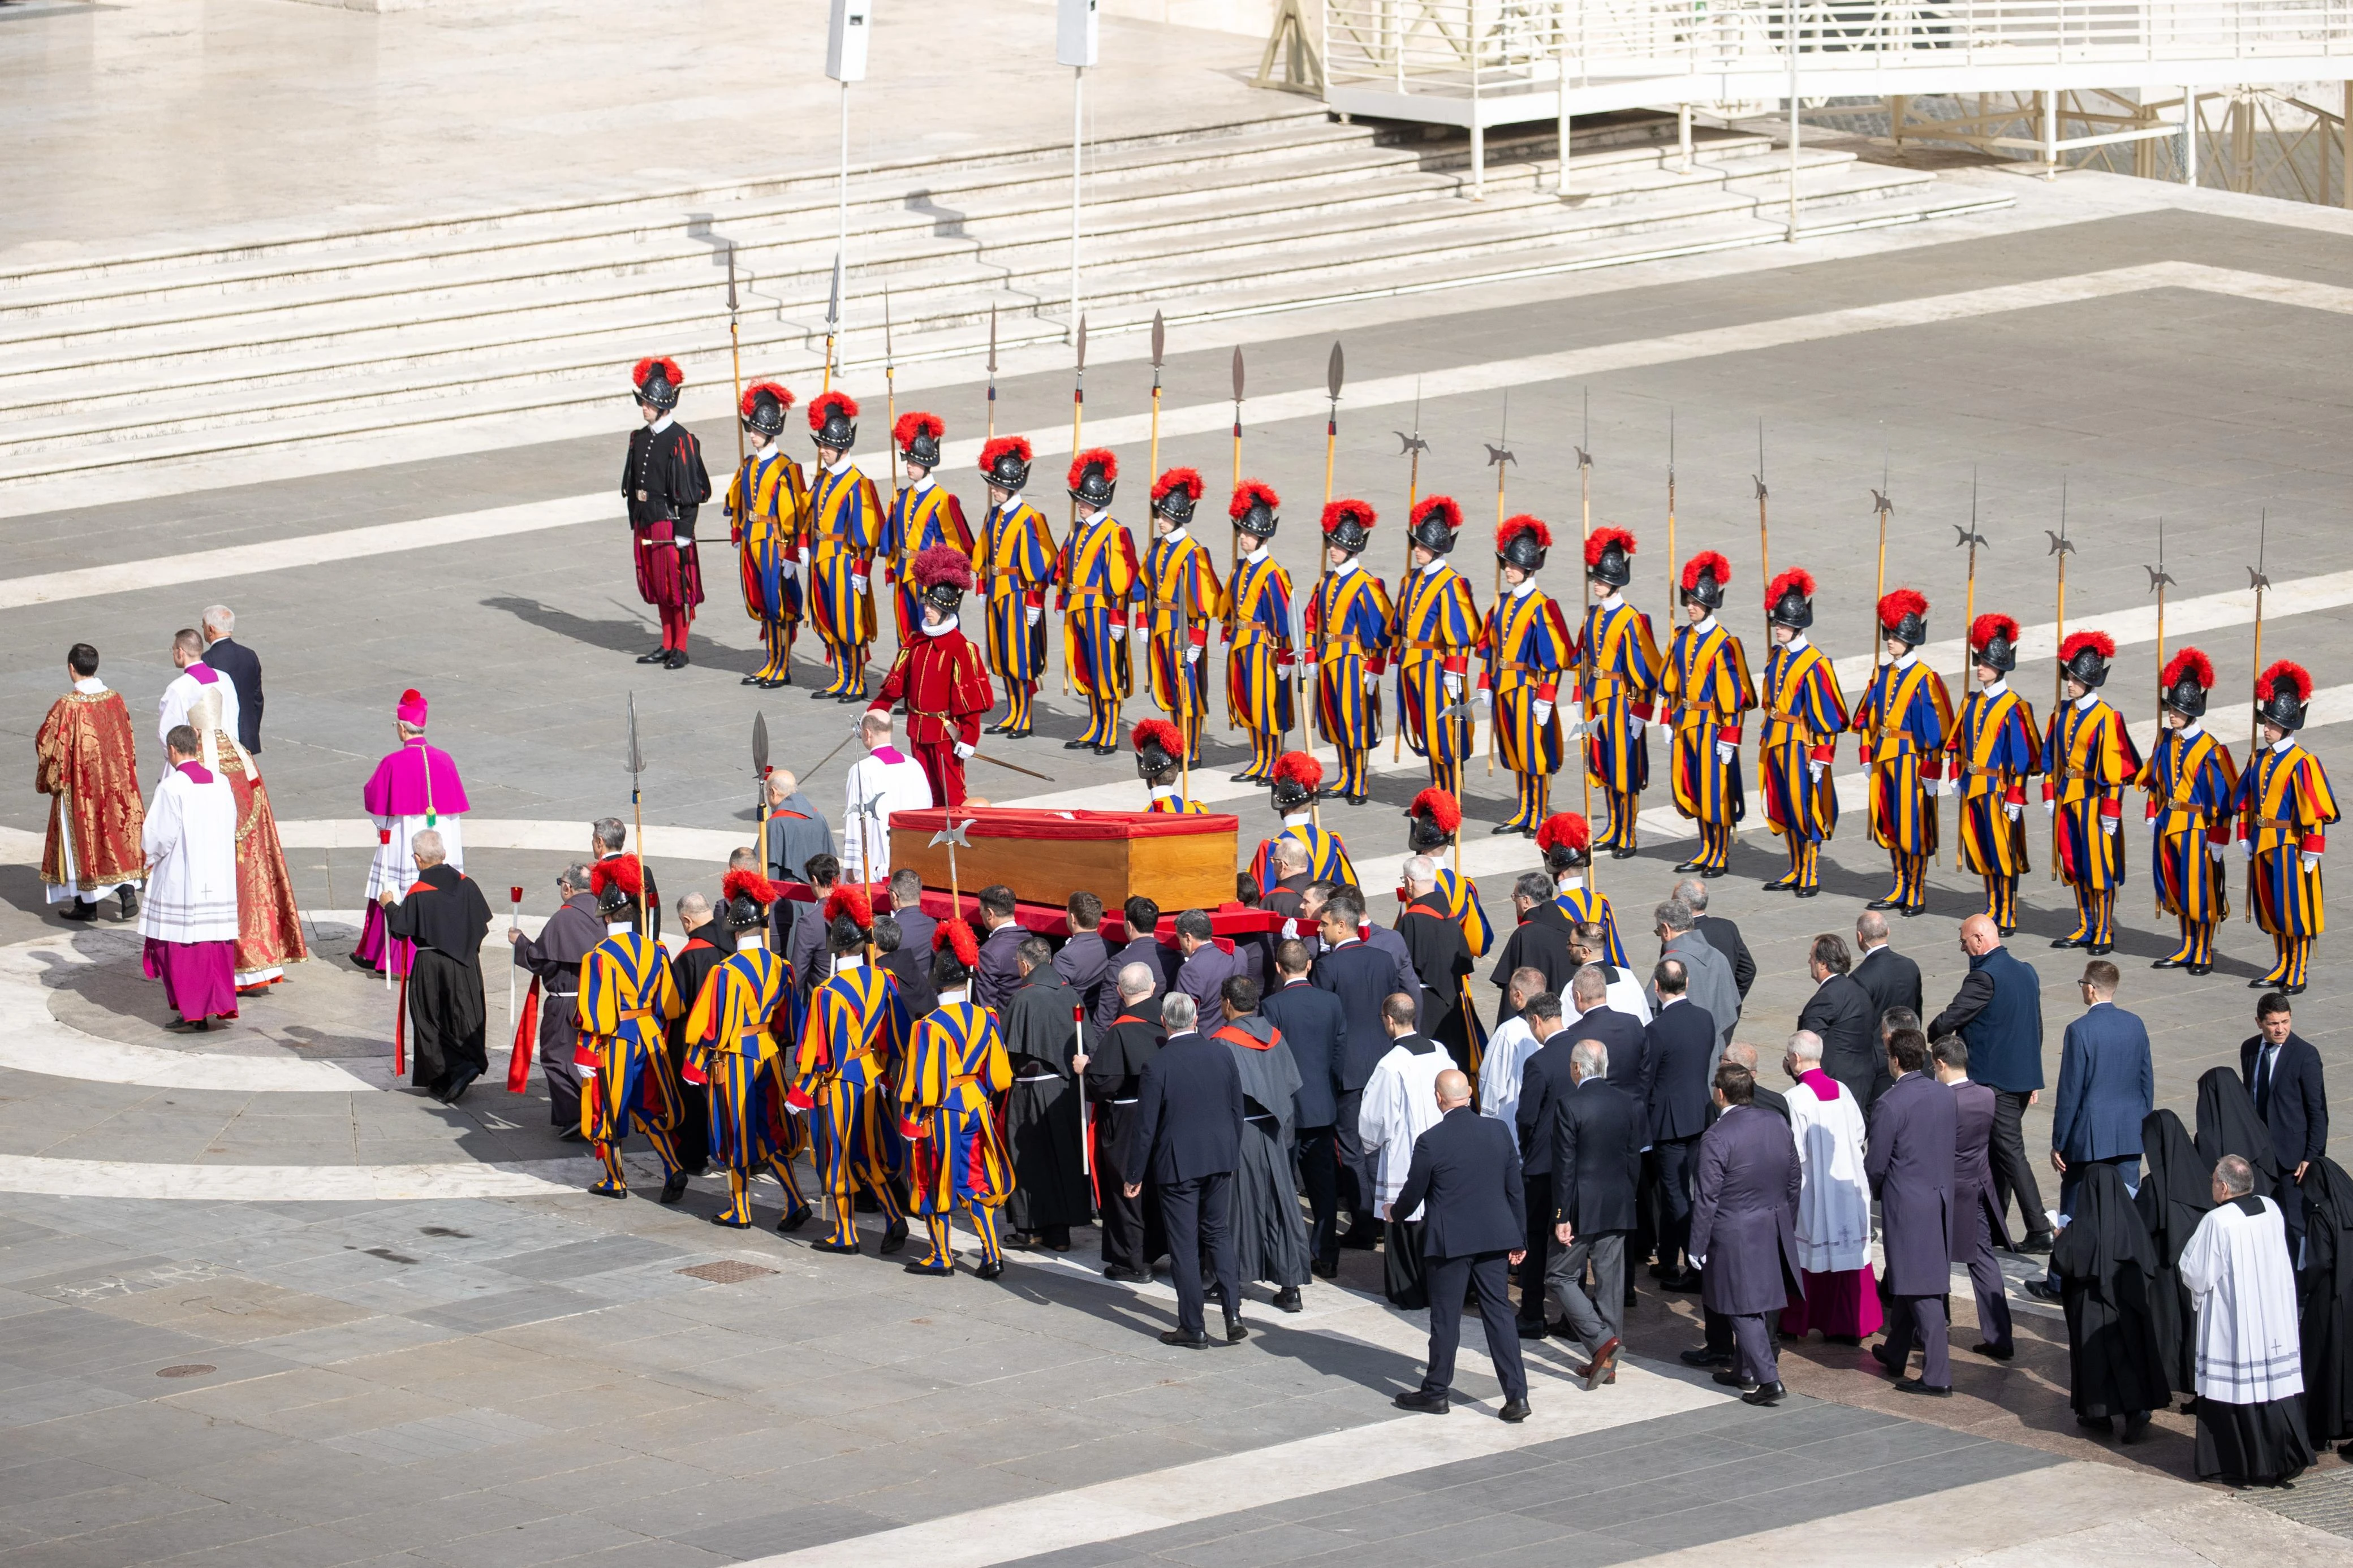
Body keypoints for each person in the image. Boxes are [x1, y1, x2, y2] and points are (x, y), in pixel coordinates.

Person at [1391, 1068, 1531, 1420]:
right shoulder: (1498, 1130)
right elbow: (1515, 1190)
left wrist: (1396, 1212)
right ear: (1469, 1093)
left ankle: (1437, 1392)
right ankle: (1517, 1397)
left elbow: (1414, 1192)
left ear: (1439, 1098)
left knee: (1446, 1319)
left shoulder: (1431, 1141)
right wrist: (1519, 1237)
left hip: (1450, 1241)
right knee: (1499, 1313)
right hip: (1496, 1236)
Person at [787, 887, 910, 1254]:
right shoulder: (884, 981)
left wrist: (800, 1093)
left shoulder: (827, 992)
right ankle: (892, 1215)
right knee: (868, 1153)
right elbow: (897, 1037)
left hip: (839, 1083)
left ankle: (845, 1232)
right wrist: (884, 1071)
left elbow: (815, 1053)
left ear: (836, 946)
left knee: (840, 1152)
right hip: (872, 1076)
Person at [684, 878, 811, 1230]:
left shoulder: (725, 972)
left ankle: (739, 1209)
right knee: (770, 1131)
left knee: (735, 1131)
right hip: (768, 1054)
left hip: (735, 1059)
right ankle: (796, 1199)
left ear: (735, 930)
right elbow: (791, 1021)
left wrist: (693, 1066)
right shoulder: (780, 967)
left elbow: (709, 1027)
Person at [2181, 1154, 2316, 1485]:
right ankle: (2283, 1457)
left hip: (2236, 1322)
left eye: (2214, 1180)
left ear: (2224, 1187)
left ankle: (2235, 1464)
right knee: (2273, 1389)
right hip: (2272, 1314)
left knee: (2234, 1391)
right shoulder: (2271, 1208)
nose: (2211, 1185)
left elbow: (2196, 1273)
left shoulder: (2218, 1221)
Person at [1121, 992, 1246, 1347]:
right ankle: (1233, 1313)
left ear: (1165, 1021)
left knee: (1185, 1247)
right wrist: (1230, 1154)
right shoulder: (1221, 1053)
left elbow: (1146, 1128)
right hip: (1220, 1158)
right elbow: (1236, 1112)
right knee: (1218, 1234)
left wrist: (1135, 1175)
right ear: (1195, 1020)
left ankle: (1193, 1326)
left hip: (1178, 1164)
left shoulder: (1157, 1064)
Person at [896, 919, 1014, 1278]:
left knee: (935, 1179)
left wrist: (912, 1119)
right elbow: (998, 1074)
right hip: (976, 1104)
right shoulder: (987, 1017)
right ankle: (991, 1253)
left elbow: (923, 1085)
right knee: (974, 1178)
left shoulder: (928, 1026)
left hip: (943, 1109)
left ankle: (941, 1255)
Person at [2032, 960, 2154, 1299]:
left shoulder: (2080, 1031)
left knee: (2072, 1211)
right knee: (2126, 1208)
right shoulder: (2136, 1024)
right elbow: (2147, 1081)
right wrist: (2140, 1126)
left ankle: (2058, 1281)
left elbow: (2071, 1091)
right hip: (2129, 1134)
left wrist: (2059, 1142)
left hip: (2088, 1138)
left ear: (2090, 988)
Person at [1929, 914, 2051, 1254]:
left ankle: (2040, 1228)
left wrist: (1933, 1033)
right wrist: (2031, 1075)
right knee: (1999, 1153)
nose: (1963, 946)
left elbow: (1953, 1017)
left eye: (1965, 941)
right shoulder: (2026, 970)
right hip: (2020, 1079)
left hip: (1995, 1082)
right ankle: (1997, 1227)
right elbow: (2036, 1028)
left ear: (1980, 941)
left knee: (2010, 1152)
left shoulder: (1984, 977)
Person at [182, 670, 305, 994]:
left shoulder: (200, 760)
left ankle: (225, 971)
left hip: (216, 849)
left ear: (197, 727)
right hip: (251, 852)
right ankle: (259, 966)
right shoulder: (243, 755)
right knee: (253, 904)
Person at [1691, 1062, 1803, 1405]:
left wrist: (1697, 1244)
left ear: (1720, 1094)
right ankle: (1743, 1371)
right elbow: (1795, 1180)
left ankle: (1769, 1381)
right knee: (1758, 1301)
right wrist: (1785, 1220)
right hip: (1773, 1225)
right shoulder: (1777, 1122)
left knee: (1742, 1308)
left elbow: (1707, 1197)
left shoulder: (1716, 1136)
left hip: (1734, 1231)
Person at [2234, 660, 2336, 994]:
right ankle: (2281, 963)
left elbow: (2315, 811)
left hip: (2291, 844)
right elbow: (2246, 801)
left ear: (2288, 726)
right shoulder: (2259, 758)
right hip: (2263, 840)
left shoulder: (2303, 762)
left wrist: (2313, 849)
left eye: (2273, 723)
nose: (2267, 727)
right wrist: (2244, 835)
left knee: (2295, 910)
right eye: (2266, 720)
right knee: (2272, 908)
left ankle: (2298, 969)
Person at [1210, 977, 1311, 1311]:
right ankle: (1291, 1287)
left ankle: (1230, 1280)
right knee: (1280, 1207)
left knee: (1235, 1208)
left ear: (1227, 1003)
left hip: (1240, 1135)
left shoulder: (1222, 1043)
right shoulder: (1276, 1037)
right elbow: (1290, 1086)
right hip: (1275, 1132)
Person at [2049, 1159, 2169, 1441]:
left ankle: (2098, 1414)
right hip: (2126, 1304)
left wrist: (2060, 1238)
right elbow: (2148, 1264)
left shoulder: (2081, 1227)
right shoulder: (2133, 1223)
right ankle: (2134, 1410)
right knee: (2127, 1356)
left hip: (2089, 1306)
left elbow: (2061, 1264)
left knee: (2094, 1360)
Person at [1546, 1037, 1643, 1385]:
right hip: (1617, 1204)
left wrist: (1562, 1216)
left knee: (1558, 1275)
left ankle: (1603, 1343)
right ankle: (1608, 1364)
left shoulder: (1569, 1105)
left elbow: (1565, 1167)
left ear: (1576, 1068)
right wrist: (1625, 1198)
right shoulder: (1628, 1103)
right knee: (1611, 1286)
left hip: (1579, 1208)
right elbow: (1634, 1159)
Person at [867, 547, 994, 810]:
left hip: (947, 735)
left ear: (948, 611)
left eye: (934, 607)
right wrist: (875, 711)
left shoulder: (961, 648)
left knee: (953, 794)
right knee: (924, 791)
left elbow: (970, 703)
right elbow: (895, 686)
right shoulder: (916, 642)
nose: (928, 610)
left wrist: (969, 738)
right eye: (927, 604)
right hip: (918, 730)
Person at [1850, 589, 1951, 917]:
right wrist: (1867, 752)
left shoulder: (1925, 679)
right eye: (1888, 634)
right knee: (1890, 824)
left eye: (1894, 636)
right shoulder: (1882, 673)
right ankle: (1898, 884)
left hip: (1910, 760)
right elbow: (1868, 716)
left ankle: (1917, 890)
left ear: (1908, 639)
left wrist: (1933, 771)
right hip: (1884, 757)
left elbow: (1936, 732)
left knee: (1913, 828)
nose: (1889, 641)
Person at [1868, 1029, 1958, 1397]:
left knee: (1922, 1289)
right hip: (1939, 1200)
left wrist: (1871, 1192)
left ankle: (1937, 1375)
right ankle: (1895, 1350)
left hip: (1908, 1204)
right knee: (1911, 1276)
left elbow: (1876, 1162)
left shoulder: (1890, 1103)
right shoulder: (1944, 1094)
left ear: (1894, 1059)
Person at [1315, 887, 1407, 1250]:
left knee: (1352, 1148)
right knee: (1383, 1144)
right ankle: (1383, 1215)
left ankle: (1364, 1223)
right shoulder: (1383, 960)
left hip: (1348, 1069)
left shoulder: (1328, 966)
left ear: (1341, 925)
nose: (1320, 931)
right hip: (1383, 1062)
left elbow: (1326, 1022)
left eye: (1324, 925)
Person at [356, 689, 469, 976]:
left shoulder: (394, 762)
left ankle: (383, 955)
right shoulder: (445, 760)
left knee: (395, 887)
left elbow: (374, 800)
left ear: (402, 729)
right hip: (441, 836)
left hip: (404, 838)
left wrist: (384, 826)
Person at [1777, 1031, 1881, 1344]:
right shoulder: (1844, 1090)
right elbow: (1860, 1132)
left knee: (1808, 1257)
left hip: (1815, 1191)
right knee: (1848, 1257)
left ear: (1794, 1059)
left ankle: (1795, 1322)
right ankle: (1849, 1325)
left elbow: (1793, 1151)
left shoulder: (1794, 1099)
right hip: (1848, 1186)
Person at [2041, 631, 2140, 954]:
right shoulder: (2061, 713)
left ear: (2090, 681)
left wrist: (2112, 809)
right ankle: (2086, 924)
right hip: (2067, 794)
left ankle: (2105, 928)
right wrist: (2048, 792)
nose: (2070, 682)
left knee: (2099, 866)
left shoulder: (2107, 717)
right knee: (2075, 862)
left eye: (2076, 678)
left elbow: (2117, 768)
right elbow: (2051, 759)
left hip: (2094, 800)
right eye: (2069, 676)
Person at [1658, 551, 1755, 878]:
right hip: (1686, 724)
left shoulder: (1725, 644)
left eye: (1697, 601)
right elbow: (1671, 685)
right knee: (1694, 787)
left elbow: (1734, 698)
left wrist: (1730, 737)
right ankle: (1704, 847)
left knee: (1716, 791)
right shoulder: (1682, 637)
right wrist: (1668, 719)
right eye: (1689, 599)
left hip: (1712, 727)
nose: (1691, 605)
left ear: (1710, 603)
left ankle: (1720, 852)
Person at [2137, 646, 2235, 971]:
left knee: (2200, 891)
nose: (2172, 714)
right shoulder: (2165, 739)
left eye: (2178, 709)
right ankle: (2186, 946)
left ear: (2193, 711)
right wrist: (2153, 810)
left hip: (2197, 828)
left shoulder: (2211, 750)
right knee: (2175, 887)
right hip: (2169, 822)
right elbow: (2155, 779)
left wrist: (2219, 837)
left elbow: (2223, 800)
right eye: (2170, 707)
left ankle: (2203, 950)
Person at [1476, 515, 1574, 834]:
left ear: (1529, 568)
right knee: (1514, 752)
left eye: (1513, 565)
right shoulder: (1503, 602)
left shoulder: (1542, 606)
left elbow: (1554, 658)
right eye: (1506, 563)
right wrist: (1485, 682)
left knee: (1534, 754)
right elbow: (1488, 646)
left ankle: (1539, 813)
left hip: (1527, 689)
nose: (1507, 569)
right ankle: (1523, 809)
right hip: (1503, 685)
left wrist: (1546, 698)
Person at [1944, 612, 2040, 935]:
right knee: (1982, 850)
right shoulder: (1971, 702)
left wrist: (2016, 796)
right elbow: (1957, 742)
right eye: (1978, 661)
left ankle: (2008, 910)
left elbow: (2022, 759)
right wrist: (1956, 774)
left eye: (1984, 662)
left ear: (1999, 666)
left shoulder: (2014, 706)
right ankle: (1992, 904)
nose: (1979, 667)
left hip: (1998, 790)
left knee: (2003, 853)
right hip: (1973, 785)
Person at [139, 725, 239, 1031]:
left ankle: (192, 1011)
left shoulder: (172, 787)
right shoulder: (222, 782)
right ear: (196, 747)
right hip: (217, 876)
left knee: (182, 945)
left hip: (183, 878)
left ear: (172, 750)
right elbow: (232, 820)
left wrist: (150, 858)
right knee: (213, 945)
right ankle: (214, 1006)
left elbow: (158, 836)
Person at [1753, 567, 1846, 896]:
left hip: (1800, 745)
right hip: (1776, 740)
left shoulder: (1815, 663)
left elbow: (1829, 716)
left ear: (1796, 626)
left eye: (1782, 624)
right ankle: (1794, 866)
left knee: (1806, 808)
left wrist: (1821, 757)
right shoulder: (1777, 656)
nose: (1776, 628)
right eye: (1776, 623)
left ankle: (1809, 872)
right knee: (1784, 807)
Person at [1001, 935, 1095, 1252]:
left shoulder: (1023, 998)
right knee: (1063, 1160)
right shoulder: (1072, 994)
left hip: (1030, 1094)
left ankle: (1031, 1230)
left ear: (1025, 965)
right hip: (1067, 1090)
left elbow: (1006, 1051)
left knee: (1028, 1160)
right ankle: (1060, 1235)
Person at [38, 643, 144, 923]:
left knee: (85, 838)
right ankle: (126, 891)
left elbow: (49, 743)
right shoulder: (116, 700)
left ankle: (86, 904)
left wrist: (52, 777)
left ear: (72, 668)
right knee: (115, 832)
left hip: (81, 786)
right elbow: (128, 739)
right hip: (115, 781)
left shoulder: (68, 706)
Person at [1360, 992, 1451, 1307]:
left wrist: (1369, 1144)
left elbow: (1376, 1117)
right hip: (1442, 1147)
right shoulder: (1440, 1051)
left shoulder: (1391, 1064)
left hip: (1406, 1152)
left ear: (1388, 1020)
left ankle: (1408, 1293)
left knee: (1404, 1216)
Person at [1574, 526, 1660, 858]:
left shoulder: (1631, 620)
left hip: (1621, 704)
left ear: (1616, 581)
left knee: (1625, 769)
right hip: (1597, 700)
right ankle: (1613, 824)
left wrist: (1641, 714)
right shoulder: (1593, 615)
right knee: (1605, 766)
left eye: (1602, 578)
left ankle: (1628, 832)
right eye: (1594, 577)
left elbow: (1648, 674)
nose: (1596, 583)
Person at [1262, 939, 1346, 1276]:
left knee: (1284, 1185)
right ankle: (1325, 1254)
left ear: (1279, 969)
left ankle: (1288, 1255)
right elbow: (1339, 1055)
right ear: (1309, 965)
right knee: (1323, 1188)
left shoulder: (1272, 1006)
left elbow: (1272, 1060)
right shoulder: (1331, 1002)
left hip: (1288, 1111)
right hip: (1322, 1107)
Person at [1389, 495, 1480, 800]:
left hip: (1434, 667)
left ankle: (1450, 796)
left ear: (1438, 548)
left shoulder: (1450, 583)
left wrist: (1455, 672)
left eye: (1423, 546)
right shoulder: (1412, 579)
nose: (1417, 550)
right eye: (1416, 544)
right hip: (1411, 664)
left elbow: (1460, 632)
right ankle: (1437, 791)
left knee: (1444, 736)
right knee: (1426, 732)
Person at [1932, 1036, 2017, 1363]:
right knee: (1983, 1261)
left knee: (1934, 1258)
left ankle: (1929, 1328)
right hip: (1978, 1186)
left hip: (1946, 1190)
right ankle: (1999, 1336)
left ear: (1941, 1064)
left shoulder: (1942, 1100)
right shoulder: (1985, 1095)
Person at [1303, 499, 1393, 804]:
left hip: (1353, 661)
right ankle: (1344, 775)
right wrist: (1313, 656)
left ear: (1353, 548)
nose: (1332, 549)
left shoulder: (1366, 584)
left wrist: (1375, 667)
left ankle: (1360, 781)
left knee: (1355, 721)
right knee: (1335, 719)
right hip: (1329, 658)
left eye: (1339, 545)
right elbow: (1312, 620)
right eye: (1331, 543)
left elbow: (1379, 631)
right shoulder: (1326, 581)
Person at [1085, 962, 1167, 1281]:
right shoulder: (1169, 1019)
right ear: (1154, 987)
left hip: (1128, 1119)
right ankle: (1162, 1246)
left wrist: (1087, 1069)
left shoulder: (1120, 1030)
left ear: (1119, 993)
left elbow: (1104, 1084)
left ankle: (1134, 1262)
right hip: (1164, 1114)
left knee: (1128, 1187)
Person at [1137, 469, 1225, 767]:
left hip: (1182, 630)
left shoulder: (1193, 553)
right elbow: (1145, 585)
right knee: (1171, 691)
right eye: (1159, 514)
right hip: (1160, 626)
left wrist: (1198, 639)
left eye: (1165, 516)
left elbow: (1203, 604)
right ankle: (1177, 743)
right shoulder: (1158, 545)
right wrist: (1142, 620)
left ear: (1179, 517)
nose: (1160, 520)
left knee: (1189, 691)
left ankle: (1194, 748)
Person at [727, 382, 809, 688]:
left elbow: (798, 515)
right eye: (751, 429)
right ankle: (770, 660)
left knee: (779, 607)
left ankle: (782, 665)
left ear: (771, 432)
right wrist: (738, 530)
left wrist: (792, 553)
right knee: (762, 603)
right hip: (752, 541)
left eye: (758, 431)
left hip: (775, 545)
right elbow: (738, 501)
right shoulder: (748, 465)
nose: (752, 435)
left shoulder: (787, 468)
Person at [973, 437, 1056, 739]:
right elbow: (984, 554)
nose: (993, 489)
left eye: (998, 484)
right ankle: (1012, 711)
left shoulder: (1029, 519)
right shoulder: (993, 514)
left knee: (1020, 657)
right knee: (1001, 656)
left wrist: (1035, 601)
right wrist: (982, 585)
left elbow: (1040, 565)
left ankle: (1025, 715)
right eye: (992, 484)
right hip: (997, 591)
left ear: (1012, 486)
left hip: (1018, 595)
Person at [507, 865, 600, 1134]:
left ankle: (578, 1113)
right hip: (596, 1001)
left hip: (566, 1004)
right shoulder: (602, 912)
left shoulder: (564, 919)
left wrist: (519, 941)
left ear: (568, 888)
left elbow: (540, 959)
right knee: (587, 1056)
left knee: (557, 1058)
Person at [802, 390, 882, 699]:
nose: (823, 450)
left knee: (850, 624)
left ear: (842, 448)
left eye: (828, 446)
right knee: (828, 619)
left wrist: (862, 570)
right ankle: (840, 676)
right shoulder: (822, 478)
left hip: (844, 562)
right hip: (821, 556)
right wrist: (805, 546)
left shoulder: (858, 483)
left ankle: (857, 681)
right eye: (822, 444)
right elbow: (811, 514)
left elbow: (868, 534)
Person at [1643, 958, 1717, 1290]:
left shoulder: (1656, 1030)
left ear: (1657, 988)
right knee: (1683, 1190)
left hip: (1668, 1122)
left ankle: (1697, 1266)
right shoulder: (1705, 1019)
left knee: (1674, 1194)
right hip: (1699, 1114)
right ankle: (1668, 1260)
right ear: (1686, 984)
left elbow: (1647, 1080)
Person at [1059, 448, 1138, 755]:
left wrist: (1119, 618)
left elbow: (1122, 581)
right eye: (1079, 499)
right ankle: (1095, 724)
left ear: (1100, 502)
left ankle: (1109, 730)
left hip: (1101, 612)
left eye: (1085, 501)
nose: (1080, 505)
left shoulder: (1114, 533)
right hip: (1078, 608)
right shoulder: (1079, 530)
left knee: (1106, 672)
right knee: (1087, 668)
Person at [1508, 991, 1576, 1328]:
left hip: (1543, 1164)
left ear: (1536, 1020)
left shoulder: (1539, 1062)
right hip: (1577, 1162)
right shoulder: (1585, 1051)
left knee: (1535, 1237)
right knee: (1570, 1239)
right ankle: (1571, 1316)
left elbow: (1526, 1117)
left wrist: (1526, 1148)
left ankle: (1533, 1313)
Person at [2136, 1106, 2214, 1399]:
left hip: (2164, 1270)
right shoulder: (2203, 1178)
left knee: (2165, 1327)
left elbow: (2140, 1225)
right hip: (2196, 1265)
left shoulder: (2154, 1186)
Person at [877, 411, 973, 648]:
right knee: (906, 635)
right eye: (908, 461)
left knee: (933, 636)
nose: (909, 467)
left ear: (927, 464)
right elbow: (894, 541)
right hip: (903, 574)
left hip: (930, 580)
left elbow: (955, 548)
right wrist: (891, 573)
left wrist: (945, 583)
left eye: (914, 462)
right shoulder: (902, 497)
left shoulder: (943, 500)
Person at [1220, 478, 1295, 783]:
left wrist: (1287, 658)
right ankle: (1257, 759)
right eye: (1243, 531)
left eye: (1249, 533)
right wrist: (1227, 634)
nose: (1243, 537)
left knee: (1266, 705)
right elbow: (1231, 608)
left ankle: (1272, 762)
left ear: (1263, 537)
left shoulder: (1273, 574)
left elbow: (1283, 620)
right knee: (1248, 702)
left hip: (1263, 646)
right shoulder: (1242, 568)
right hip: (1242, 641)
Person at [2242, 991, 2327, 1250]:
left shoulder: (2305, 1055)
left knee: (2297, 1224)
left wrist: (2312, 1157)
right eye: (2273, 1023)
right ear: (2259, 1022)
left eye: (2285, 1022)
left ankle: (2303, 1285)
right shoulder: (2249, 1049)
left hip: (2293, 1159)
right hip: (2260, 1154)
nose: (2281, 1029)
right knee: (2262, 1222)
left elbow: (2318, 1111)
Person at [663, 893, 727, 1178]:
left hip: (694, 1037)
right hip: (729, 1034)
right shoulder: (734, 943)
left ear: (687, 920)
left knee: (692, 1096)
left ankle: (694, 1156)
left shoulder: (690, 955)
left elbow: (673, 1004)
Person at [1395, 856, 1474, 1070]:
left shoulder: (1412, 919)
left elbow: (1401, 965)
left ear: (1410, 883)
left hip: (1425, 1004)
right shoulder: (1449, 914)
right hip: (1452, 1003)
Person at [840, 711, 932, 884]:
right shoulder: (914, 765)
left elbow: (854, 816)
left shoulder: (862, 770)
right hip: (912, 848)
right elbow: (927, 808)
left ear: (867, 733)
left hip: (877, 852)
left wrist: (853, 863)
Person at [1798, 932, 1886, 1112]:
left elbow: (1810, 1050)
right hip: (1862, 1080)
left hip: (1833, 1087)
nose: (1809, 962)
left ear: (1823, 964)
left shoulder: (1825, 998)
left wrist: (1792, 1062)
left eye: (1812, 957)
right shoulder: (1859, 992)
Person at [1403, 788, 1493, 966]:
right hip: (1455, 971)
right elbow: (1481, 942)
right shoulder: (1464, 884)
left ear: (1421, 845)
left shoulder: (1415, 883)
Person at [1248, 752, 1358, 893]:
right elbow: (1348, 892)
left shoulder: (1273, 847)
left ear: (1282, 806)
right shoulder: (1332, 841)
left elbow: (1260, 897)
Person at [1475, 967, 1547, 1154]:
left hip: (1512, 1126)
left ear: (1517, 995)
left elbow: (1491, 1082)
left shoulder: (1508, 1032)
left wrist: (1487, 1124)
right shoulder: (1555, 1026)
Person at [1650, 899, 1738, 1051]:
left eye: (1659, 932)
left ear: (1666, 929)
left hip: (1681, 1053)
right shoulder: (1718, 956)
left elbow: (1651, 1013)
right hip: (1715, 1050)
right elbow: (1732, 1005)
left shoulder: (1671, 963)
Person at [1489, 872, 1577, 1017]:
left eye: (1515, 897)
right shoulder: (1572, 928)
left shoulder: (1524, 934)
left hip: (1537, 1019)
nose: (1515, 902)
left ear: (1526, 901)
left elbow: (1514, 989)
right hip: (1570, 1012)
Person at [156, 627, 242, 767]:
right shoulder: (225, 678)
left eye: (173, 650)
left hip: (199, 762)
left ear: (180, 652)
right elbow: (234, 713)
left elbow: (167, 734)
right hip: (231, 757)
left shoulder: (178, 688)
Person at [1563, 964, 1645, 1090]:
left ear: (1578, 996)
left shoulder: (1572, 1035)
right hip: (1634, 1104)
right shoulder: (1633, 1023)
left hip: (1595, 1107)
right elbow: (1647, 1068)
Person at [197, 606, 263, 754]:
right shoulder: (250, 655)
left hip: (220, 739)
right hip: (247, 735)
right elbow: (257, 699)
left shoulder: (207, 660)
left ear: (210, 630)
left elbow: (204, 703)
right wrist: (251, 729)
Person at [1677, 879, 1753, 1001]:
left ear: (1682, 904)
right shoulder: (1727, 926)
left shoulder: (1677, 936)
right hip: (1727, 1012)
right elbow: (1747, 970)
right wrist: (1733, 1002)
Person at [1850, 911, 1921, 1035]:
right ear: (1888, 931)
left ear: (1860, 937)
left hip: (1878, 1050)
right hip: (1909, 1046)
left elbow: (1858, 1024)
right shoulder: (1910, 965)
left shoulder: (1859, 977)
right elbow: (1917, 1011)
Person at [761, 770, 835, 888]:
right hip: (820, 889)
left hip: (790, 894)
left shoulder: (776, 823)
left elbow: (769, 869)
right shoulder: (818, 816)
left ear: (773, 792)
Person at [1052, 891, 1115, 1025]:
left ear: (1073, 918)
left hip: (1075, 1025)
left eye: (1067, 913)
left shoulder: (1064, 957)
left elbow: (1057, 1002)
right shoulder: (1112, 949)